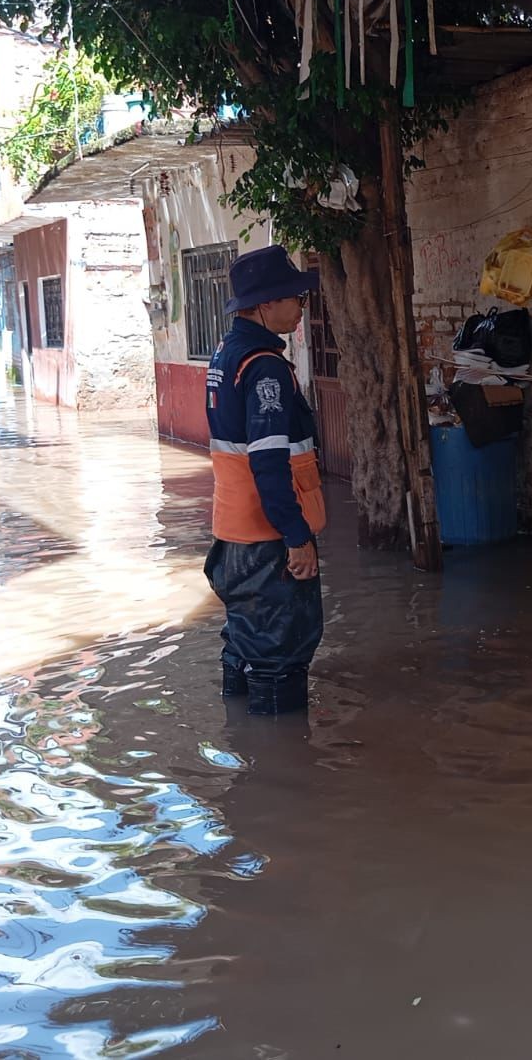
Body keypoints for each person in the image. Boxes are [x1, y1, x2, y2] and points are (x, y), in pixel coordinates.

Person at [204, 245, 327, 716]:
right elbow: (269, 463)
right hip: (268, 537)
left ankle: (244, 752)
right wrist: (296, 537)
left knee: (244, 641)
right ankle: (285, 772)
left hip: (234, 534)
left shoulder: (226, 354)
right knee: (281, 655)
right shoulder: (264, 367)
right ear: (264, 305)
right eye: (294, 297)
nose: (301, 306)